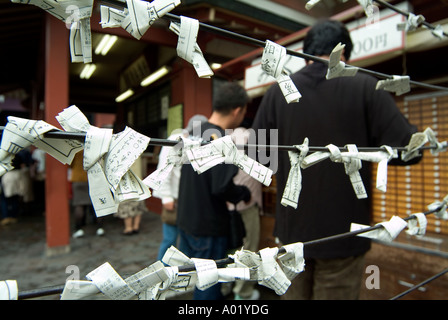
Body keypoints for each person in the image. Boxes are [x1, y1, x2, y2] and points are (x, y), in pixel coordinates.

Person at [251, 19, 422, 300]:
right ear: (345, 53)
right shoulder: (366, 87)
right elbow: (409, 149)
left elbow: (257, 156)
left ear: (306, 52)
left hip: (292, 233)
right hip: (344, 233)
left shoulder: (278, 92)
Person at [176, 82, 251, 300]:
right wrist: (243, 193)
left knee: (199, 280)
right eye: (244, 111)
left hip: (187, 220)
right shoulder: (223, 140)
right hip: (208, 225)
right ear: (237, 110)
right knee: (208, 285)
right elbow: (220, 186)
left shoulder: (194, 132)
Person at [154, 114, 208, 261]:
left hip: (190, 198)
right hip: (175, 196)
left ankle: (182, 272)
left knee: (187, 239)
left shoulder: (201, 142)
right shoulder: (175, 141)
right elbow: (164, 168)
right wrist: (166, 197)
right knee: (170, 239)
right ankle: (162, 272)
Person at [229, 127, 263, 300]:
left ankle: (228, 286)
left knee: (233, 247)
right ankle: (243, 292)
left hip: (229, 205)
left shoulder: (225, 142)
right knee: (248, 247)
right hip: (247, 204)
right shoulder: (250, 142)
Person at [70, 151, 105, 238]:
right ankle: (100, 228)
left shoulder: (76, 150)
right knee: (97, 204)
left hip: (78, 178)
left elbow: (70, 163)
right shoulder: (96, 148)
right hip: (94, 178)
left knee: (79, 204)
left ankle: (79, 229)